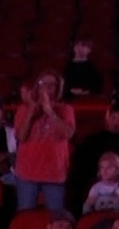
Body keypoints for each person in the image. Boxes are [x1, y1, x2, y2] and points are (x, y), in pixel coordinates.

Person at [15, 71, 76, 211]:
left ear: (58, 88)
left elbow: (68, 134)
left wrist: (49, 111)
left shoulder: (66, 109)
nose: (47, 88)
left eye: (52, 85)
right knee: (25, 214)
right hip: (27, 173)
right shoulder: (23, 109)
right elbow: (21, 137)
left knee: (56, 215)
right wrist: (32, 112)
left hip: (54, 173)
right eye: (43, 84)